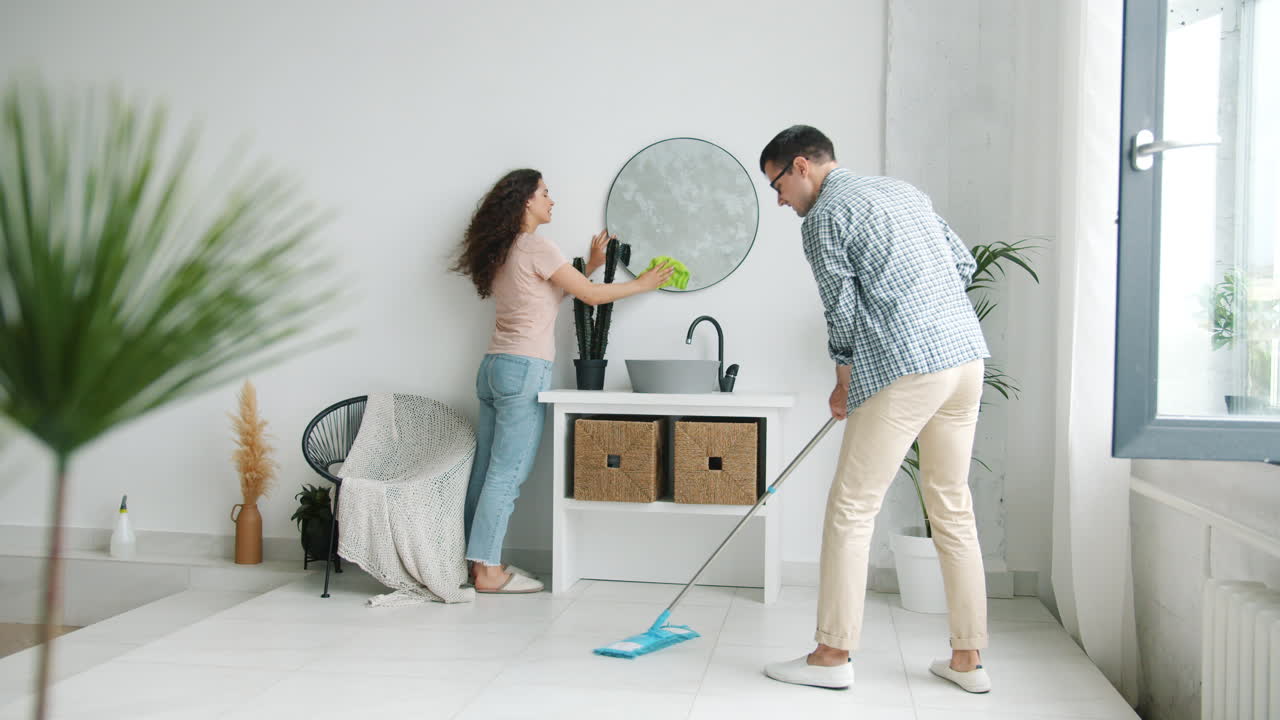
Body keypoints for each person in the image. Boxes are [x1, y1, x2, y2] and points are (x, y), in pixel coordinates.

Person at [758, 126, 992, 693]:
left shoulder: (824, 218)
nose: (781, 200)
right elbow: (962, 266)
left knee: (852, 509)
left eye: (777, 185)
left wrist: (844, 379)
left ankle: (831, 655)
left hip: (908, 366)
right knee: (952, 506)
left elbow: (841, 308)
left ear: (801, 166)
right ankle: (968, 661)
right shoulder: (902, 191)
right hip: (965, 359)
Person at [451, 168, 672, 594]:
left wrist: (591, 265)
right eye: (545, 193)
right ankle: (489, 572)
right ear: (526, 201)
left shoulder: (504, 249)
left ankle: (475, 563)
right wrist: (643, 284)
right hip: (523, 368)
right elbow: (590, 295)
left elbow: (550, 292)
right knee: (506, 475)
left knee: (486, 473)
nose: (551, 200)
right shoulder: (537, 246)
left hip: (494, 366)